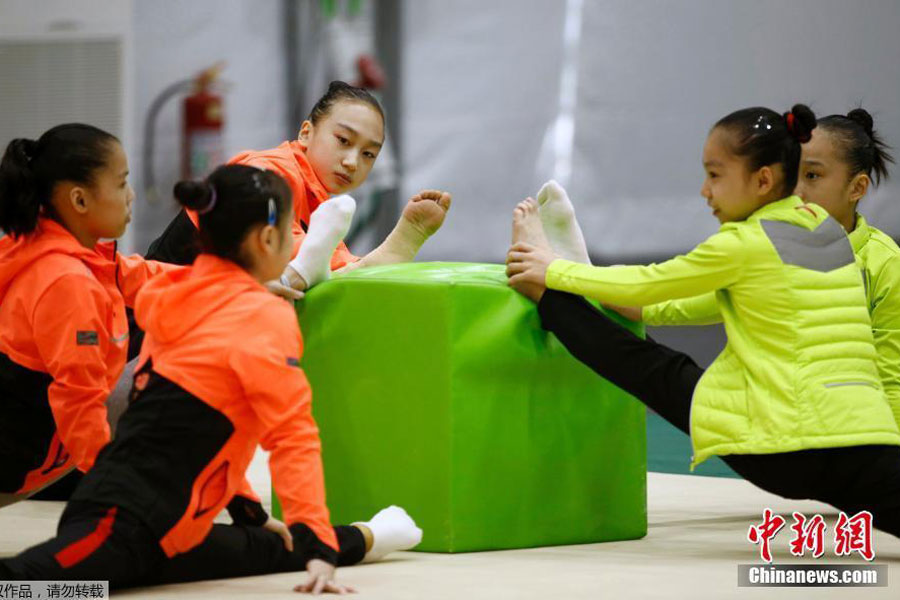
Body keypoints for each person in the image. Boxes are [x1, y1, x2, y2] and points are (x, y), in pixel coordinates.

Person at [0, 164, 422, 591]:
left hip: (173, 528)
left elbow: (215, 425)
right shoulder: (262, 317)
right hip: (120, 522)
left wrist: (254, 514)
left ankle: (371, 536)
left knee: (266, 545)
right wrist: (317, 552)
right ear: (268, 239)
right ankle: (353, 538)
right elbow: (293, 437)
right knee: (23, 586)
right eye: (293, 229)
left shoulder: (182, 296)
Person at [506, 105, 900, 535]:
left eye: (714, 175)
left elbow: (651, 281)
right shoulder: (826, 235)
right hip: (860, 442)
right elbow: (711, 299)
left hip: (782, 445)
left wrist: (554, 270)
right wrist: (639, 308)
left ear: (764, 180)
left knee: (658, 369)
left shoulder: (745, 243)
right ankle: (581, 283)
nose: (704, 191)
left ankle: (551, 296)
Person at [0, 124, 178, 506]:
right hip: (16, 456)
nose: (131, 196)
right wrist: (110, 492)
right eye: (121, 183)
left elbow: (142, 274)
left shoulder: (53, 246)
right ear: (79, 200)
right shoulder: (66, 283)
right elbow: (78, 401)